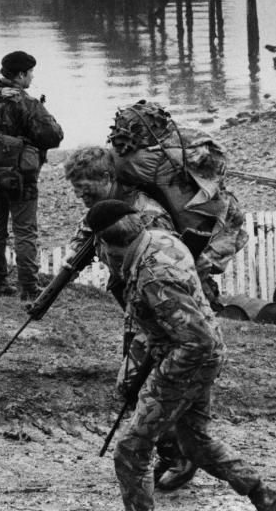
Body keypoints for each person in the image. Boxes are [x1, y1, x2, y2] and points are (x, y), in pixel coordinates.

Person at [85, 200, 276, 511]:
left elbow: (197, 341)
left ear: (108, 244)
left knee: (131, 450)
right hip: (195, 355)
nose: (99, 257)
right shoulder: (158, 239)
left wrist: (160, 381)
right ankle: (268, 498)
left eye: (98, 248)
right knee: (195, 442)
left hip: (190, 358)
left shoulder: (154, 276)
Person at [61, 147, 197, 492]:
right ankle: (173, 452)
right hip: (135, 310)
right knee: (135, 385)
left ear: (107, 179)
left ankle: (179, 457)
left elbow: (168, 263)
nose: (81, 194)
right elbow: (84, 238)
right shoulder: (101, 209)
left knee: (142, 384)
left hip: (162, 313)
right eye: (76, 188)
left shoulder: (147, 214)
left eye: (86, 186)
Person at [0, 51, 63, 299]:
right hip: (21, 178)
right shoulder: (26, 102)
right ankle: (29, 287)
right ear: (21, 74)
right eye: (31, 73)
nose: (32, 77)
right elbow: (54, 137)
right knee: (24, 232)